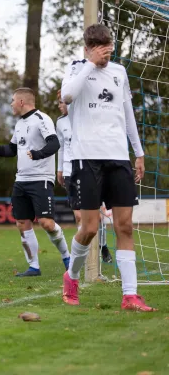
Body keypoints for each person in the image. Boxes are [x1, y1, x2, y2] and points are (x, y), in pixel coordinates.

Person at [60, 24, 155, 310]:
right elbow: (67, 96)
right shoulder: (77, 68)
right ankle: (72, 277)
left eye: (108, 46)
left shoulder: (119, 73)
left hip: (118, 157)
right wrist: (90, 64)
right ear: (88, 47)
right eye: (99, 47)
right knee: (89, 228)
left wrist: (138, 152)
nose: (106, 52)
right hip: (86, 158)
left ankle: (130, 295)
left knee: (124, 225)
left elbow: (127, 113)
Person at [0, 87, 70, 277]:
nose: (11, 104)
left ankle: (67, 258)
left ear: (22, 102)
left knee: (46, 223)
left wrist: (38, 154)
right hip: (21, 181)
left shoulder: (41, 119)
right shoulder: (19, 124)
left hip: (41, 180)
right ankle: (34, 267)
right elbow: (11, 150)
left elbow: (54, 143)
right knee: (22, 223)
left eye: (13, 100)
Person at [56, 94, 112, 263]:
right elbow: (61, 147)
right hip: (69, 170)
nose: (59, 105)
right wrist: (59, 170)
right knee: (79, 216)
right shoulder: (59, 122)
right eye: (58, 102)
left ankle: (103, 246)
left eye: (61, 102)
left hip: (89, 169)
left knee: (98, 217)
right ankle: (84, 251)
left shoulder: (86, 116)